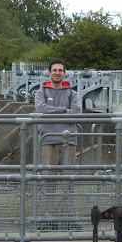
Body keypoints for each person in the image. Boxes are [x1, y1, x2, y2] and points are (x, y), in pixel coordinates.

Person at [34, 59, 82, 230]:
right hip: (48, 139)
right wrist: (63, 110)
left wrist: (55, 111)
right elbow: (41, 109)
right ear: (49, 72)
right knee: (49, 179)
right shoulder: (41, 92)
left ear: (64, 73)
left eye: (60, 70)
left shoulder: (73, 93)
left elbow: (77, 112)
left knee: (68, 179)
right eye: (54, 70)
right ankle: (48, 218)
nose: (57, 73)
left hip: (69, 141)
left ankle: (67, 217)